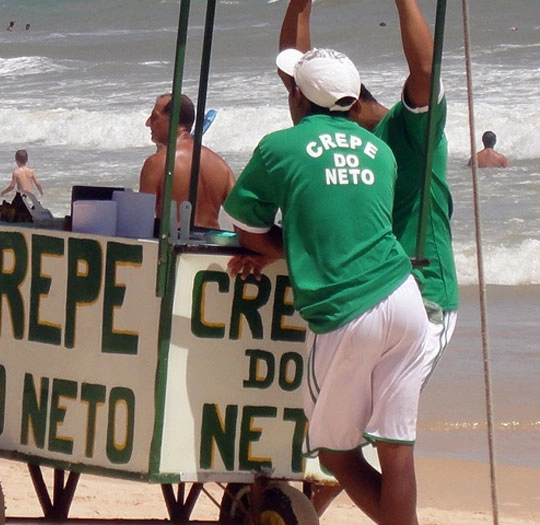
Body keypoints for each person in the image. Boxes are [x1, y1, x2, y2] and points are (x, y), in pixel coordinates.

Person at [222, 47, 429, 525]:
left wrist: (285, 251)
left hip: (346, 310)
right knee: (398, 454)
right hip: (404, 299)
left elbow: (245, 227)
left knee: (335, 455)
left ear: (297, 95)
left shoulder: (279, 147)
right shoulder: (380, 150)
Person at [279, 0, 458, 383]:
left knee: (381, 427)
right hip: (366, 295)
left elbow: (426, 71)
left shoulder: (409, 132)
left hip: (423, 294)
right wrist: (300, 6)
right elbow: (293, 70)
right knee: (354, 429)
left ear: (352, 104)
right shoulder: (339, 136)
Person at [139, 93, 235, 230]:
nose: (148, 123)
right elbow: (242, 219)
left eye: (154, 117)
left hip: (174, 247)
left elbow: (142, 222)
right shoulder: (221, 165)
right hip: (213, 248)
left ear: (173, 120)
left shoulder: (157, 163)